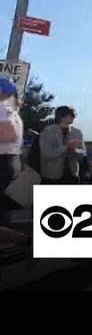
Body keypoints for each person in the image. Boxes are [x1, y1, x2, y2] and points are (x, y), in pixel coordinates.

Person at [39, 106, 86, 185]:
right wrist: (66, 147)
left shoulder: (77, 132)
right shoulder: (48, 132)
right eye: (71, 115)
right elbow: (46, 154)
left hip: (72, 175)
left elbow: (83, 151)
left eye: (74, 115)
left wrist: (75, 151)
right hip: (51, 176)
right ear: (62, 116)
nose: (73, 117)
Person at [0, 77, 23, 225]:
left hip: (3, 161)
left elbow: (9, 135)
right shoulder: (11, 110)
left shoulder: (2, 108)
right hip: (10, 160)